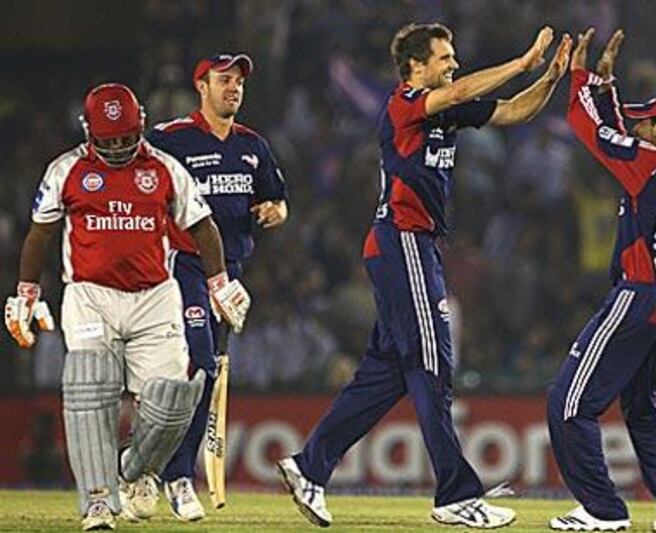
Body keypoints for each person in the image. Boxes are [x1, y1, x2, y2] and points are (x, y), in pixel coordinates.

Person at [277, 23, 572, 529]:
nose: (452, 63)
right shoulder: (404, 102)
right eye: (444, 56)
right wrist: (524, 62)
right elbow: (459, 91)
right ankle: (456, 494)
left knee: (389, 371)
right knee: (434, 361)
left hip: (413, 247)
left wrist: (550, 78)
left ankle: (310, 466)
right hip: (403, 241)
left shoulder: (445, 110)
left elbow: (511, 111)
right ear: (416, 66)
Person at [4, 83, 251, 531]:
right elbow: (40, 232)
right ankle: (98, 500)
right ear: (88, 131)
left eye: (125, 138)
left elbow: (202, 225)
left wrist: (219, 283)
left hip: (155, 295)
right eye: (108, 140)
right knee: (90, 388)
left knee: (175, 398)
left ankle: (134, 470)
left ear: (139, 127)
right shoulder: (67, 170)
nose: (118, 148)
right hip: (89, 294)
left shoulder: (164, 168)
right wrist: (26, 292)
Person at [546, 29, 656, 532]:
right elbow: (616, 128)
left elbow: (589, 127)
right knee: (641, 404)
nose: (637, 127)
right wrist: (605, 83)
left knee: (568, 403)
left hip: (639, 294)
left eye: (646, 123)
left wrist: (581, 79)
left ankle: (602, 511)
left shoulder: (650, 163)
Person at [126, 53, 287, 522]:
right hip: (184, 267)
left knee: (206, 374)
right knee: (197, 359)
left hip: (231, 273)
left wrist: (276, 211)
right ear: (202, 86)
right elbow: (130, 178)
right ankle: (173, 477)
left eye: (238, 81)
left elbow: (275, 199)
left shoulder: (252, 145)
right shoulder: (171, 139)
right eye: (224, 80)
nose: (233, 88)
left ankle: (148, 468)